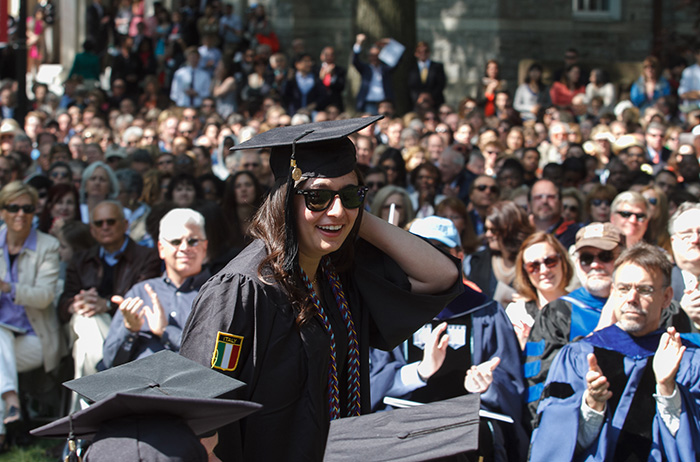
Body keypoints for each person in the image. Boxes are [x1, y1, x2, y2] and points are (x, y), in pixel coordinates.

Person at [179, 117, 461, 461]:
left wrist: (349, 213)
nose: (337, 208)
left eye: (351, 194)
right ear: (284, 198)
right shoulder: (242, 289)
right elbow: (197, 416)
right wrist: (338, 210)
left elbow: (440, 276)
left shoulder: (338, 277)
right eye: (318, 196)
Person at [369, 216, 527, 461]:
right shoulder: (390, 311)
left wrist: (487, 386)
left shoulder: (487, 312)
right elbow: (370, 381)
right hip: (402, 424)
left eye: (441, 249)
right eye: (421, 247)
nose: (430, 256)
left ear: (460, 255)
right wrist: (419, 372)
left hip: (470, 426)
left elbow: (512, 383)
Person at [529, 242, 700, 461]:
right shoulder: (578, 356)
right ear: (613, 292)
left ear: (667, 297)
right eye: (624, 288)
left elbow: (691, 446)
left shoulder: (687, 359)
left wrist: (668, 390)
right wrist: (592, 406)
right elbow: (552, 446)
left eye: (645, 290)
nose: (631, 298)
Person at [57, 200, 161, 405]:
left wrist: (107, 305)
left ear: (125, 224)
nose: (105, 227)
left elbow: (144, 299)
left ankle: (83, 417)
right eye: (99, 223)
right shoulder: (80, 260)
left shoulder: (147, 257)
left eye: (111, 221)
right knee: (86, 319)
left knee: (86, 344)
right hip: (80, 326)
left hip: (129, 329)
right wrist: (75, 303)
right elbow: (62, 303)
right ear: (92, 230)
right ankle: (104, 390)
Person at [522, 223, 624, 422]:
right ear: (577, 263)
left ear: (624, 259)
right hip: (579, 430)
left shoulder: (650, 306)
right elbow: (539, 388)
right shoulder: (557, 314)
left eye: (605, 256)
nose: (595, 264)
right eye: (586, 258)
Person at [102, 209, 209, 369]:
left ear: (204, 247)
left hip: (192, 389)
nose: (184, 248)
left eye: (193, 241)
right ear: (161, 248)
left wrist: (166, 331)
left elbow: (213, 359)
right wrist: (130, 330)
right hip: (138, 387)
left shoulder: (217, 294)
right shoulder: (140, 292)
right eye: (175, 241)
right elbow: (109, 362)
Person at [0, 182, 61, 448]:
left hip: (36, 335)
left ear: (35, 212)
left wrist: (7, 288)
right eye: (13, 207)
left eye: (27, 208)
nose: (20, 214)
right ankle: (10, 405)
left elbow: (45, 296)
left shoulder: (48, 246)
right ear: (3, 210)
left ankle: (6, 423)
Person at [466, 201, 534, 306]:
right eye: (486, 229)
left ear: (511, 230)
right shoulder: (477, 261)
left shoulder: (533, 261)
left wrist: (531, 300)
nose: (487, 234)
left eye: (493, 230)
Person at [352, 34, 399, 114]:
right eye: (372, 56)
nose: (374, 58)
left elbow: (397, 60)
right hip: (369, 102)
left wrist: (391, 44)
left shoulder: (386, 69)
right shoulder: (365, 69)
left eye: (376, 55)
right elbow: (355, 61)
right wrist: (358, 43)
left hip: (384, 102)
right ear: (368, 57)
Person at [529, 179, 581, 248]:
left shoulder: (576, 234)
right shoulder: (520, 233)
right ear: (529, 204)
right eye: (538, 197)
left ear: (561, 204)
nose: (544, 201)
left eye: (551, 197)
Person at [406, 41, 446, 110]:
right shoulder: (411, 68)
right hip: (417, 103)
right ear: (416, 53)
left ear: (429, 52)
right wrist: (419, 97)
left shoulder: (437, 67)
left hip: (435, 102)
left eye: (425, 51)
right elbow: (410, 86)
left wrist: (430, 96)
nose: (423, 54)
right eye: (420, 52)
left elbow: (441, 84)